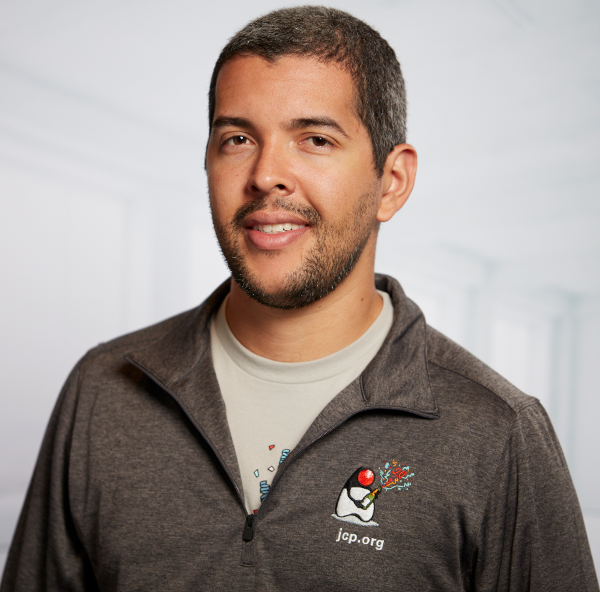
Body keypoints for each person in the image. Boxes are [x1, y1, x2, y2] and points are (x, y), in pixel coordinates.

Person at [1, 6, 598, 591]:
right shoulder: (103, 388)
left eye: (314, 139)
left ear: (391, 183)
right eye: (238, 138)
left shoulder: (499, 430)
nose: (266, 175)